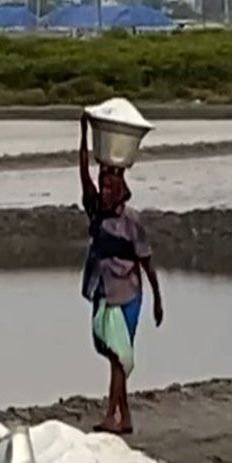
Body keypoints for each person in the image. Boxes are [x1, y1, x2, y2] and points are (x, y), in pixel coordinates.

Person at [79, 117, 164, 435]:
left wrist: (157, 299)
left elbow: (147, 262)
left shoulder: (132, 222)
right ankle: (123, 417)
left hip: (128, 294)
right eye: (104, 186)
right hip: (104, 290)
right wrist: (84, 135)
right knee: (111, 352)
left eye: (111, 187)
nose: (105, 190)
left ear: (122, 192)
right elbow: (84, 176)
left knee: (118, 356)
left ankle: (112, 415)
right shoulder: (96, 212)